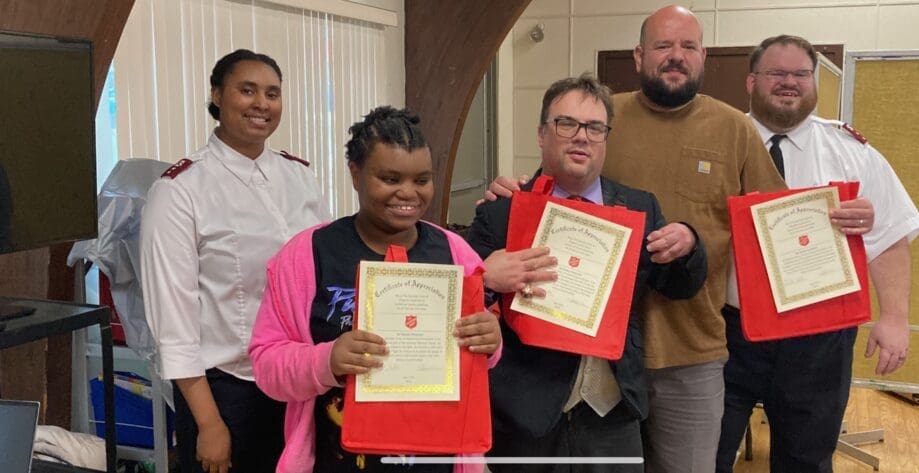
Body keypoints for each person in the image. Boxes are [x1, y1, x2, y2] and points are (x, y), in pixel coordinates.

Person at [481, 8, 874, 472]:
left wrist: (840, 219)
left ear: (703, 55)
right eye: (664, 46)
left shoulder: (733, 128)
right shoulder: (607, 113)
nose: (676, 56)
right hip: (588, 360)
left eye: (688, 46)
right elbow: (561, 177)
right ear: (639, 54)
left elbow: (777, 225)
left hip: (689, 350)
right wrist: (512, 202)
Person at [466, 74, 708, 473]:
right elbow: (464, 307)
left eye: (595, 127)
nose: (582, 137)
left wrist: (689, 243)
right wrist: (485, 279)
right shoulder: (501, 209)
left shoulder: (638, 207)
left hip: (612, 410)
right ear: (542, 134)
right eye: (567, 124)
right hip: (524, 414)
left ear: (605, 138)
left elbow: (679, 286)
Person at [248, 106, 506, 473]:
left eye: (421, 179)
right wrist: (327, 361)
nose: (408, 193)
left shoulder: (455, 254)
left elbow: (476, 361)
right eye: (389, 178)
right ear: (356, 174)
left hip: (439, 460)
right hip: (337, 460)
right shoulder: (307, 255)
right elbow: (266, 365)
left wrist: (490, 343)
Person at [714, 35, 919, 473]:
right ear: (752, 80)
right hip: (726, 331)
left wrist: (894, 318)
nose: (789, 83)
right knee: (705, 455)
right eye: (777, 73)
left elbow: (890, 238)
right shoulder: (716, 145)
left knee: (806, 460)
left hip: (819, 337)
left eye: (800, 74)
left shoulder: (851, 152)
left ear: (814, 83)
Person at [141, 49, 329, 473]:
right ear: (217, 96)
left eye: (272, 93)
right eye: (247, 91)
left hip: (298, 382)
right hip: (228, 391)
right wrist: (209, 424)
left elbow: (322, 269)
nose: (261, 103)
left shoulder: (299, 176)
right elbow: (173, 323)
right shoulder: (180, 191)